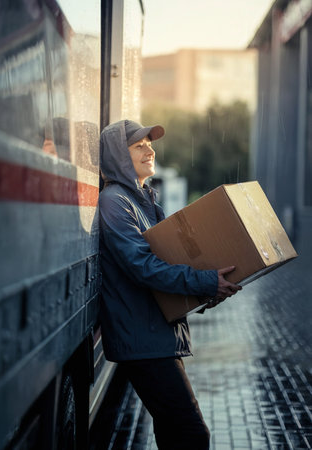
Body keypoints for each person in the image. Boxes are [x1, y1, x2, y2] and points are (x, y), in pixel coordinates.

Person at [98, 119, 241, 449]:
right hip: (142, 339)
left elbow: (172, 264)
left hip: (157, 335)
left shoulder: (147, 202)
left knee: (173, 432)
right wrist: (204, 282)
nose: (150, 148)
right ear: (119, 155)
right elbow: (143, 268)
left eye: (150, 142)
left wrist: (209, 291)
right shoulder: (115, 202)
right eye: (139, 145)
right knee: (192, 434)